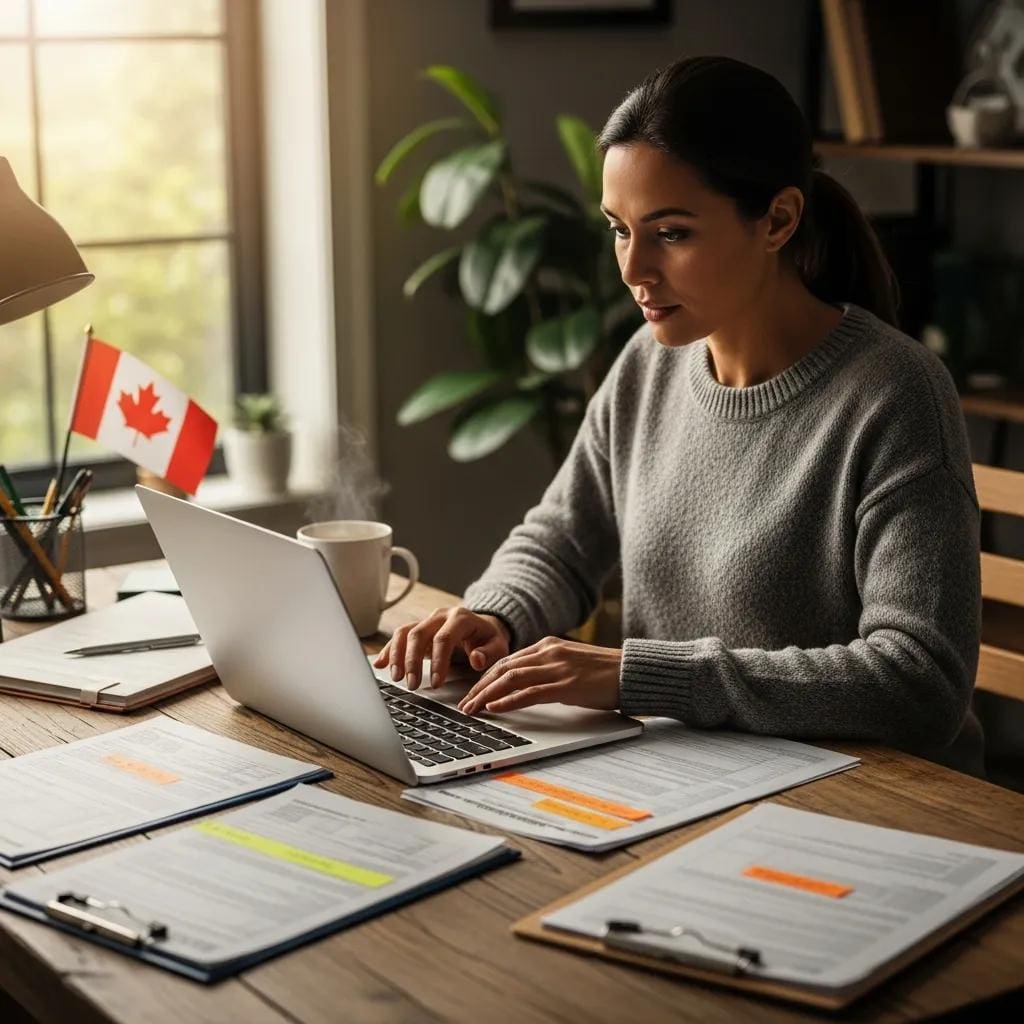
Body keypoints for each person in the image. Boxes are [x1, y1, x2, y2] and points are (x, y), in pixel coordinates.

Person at [373, 55, 982, 775]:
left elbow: (921, 683)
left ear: (778, 219)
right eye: (620, 229)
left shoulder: (896, 394)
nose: (633, 270)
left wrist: (643, 676)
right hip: (680, 772)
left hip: (859, 802)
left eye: (672, 233)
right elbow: (562, 541)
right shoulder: (648, 362)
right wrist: (496, 613)